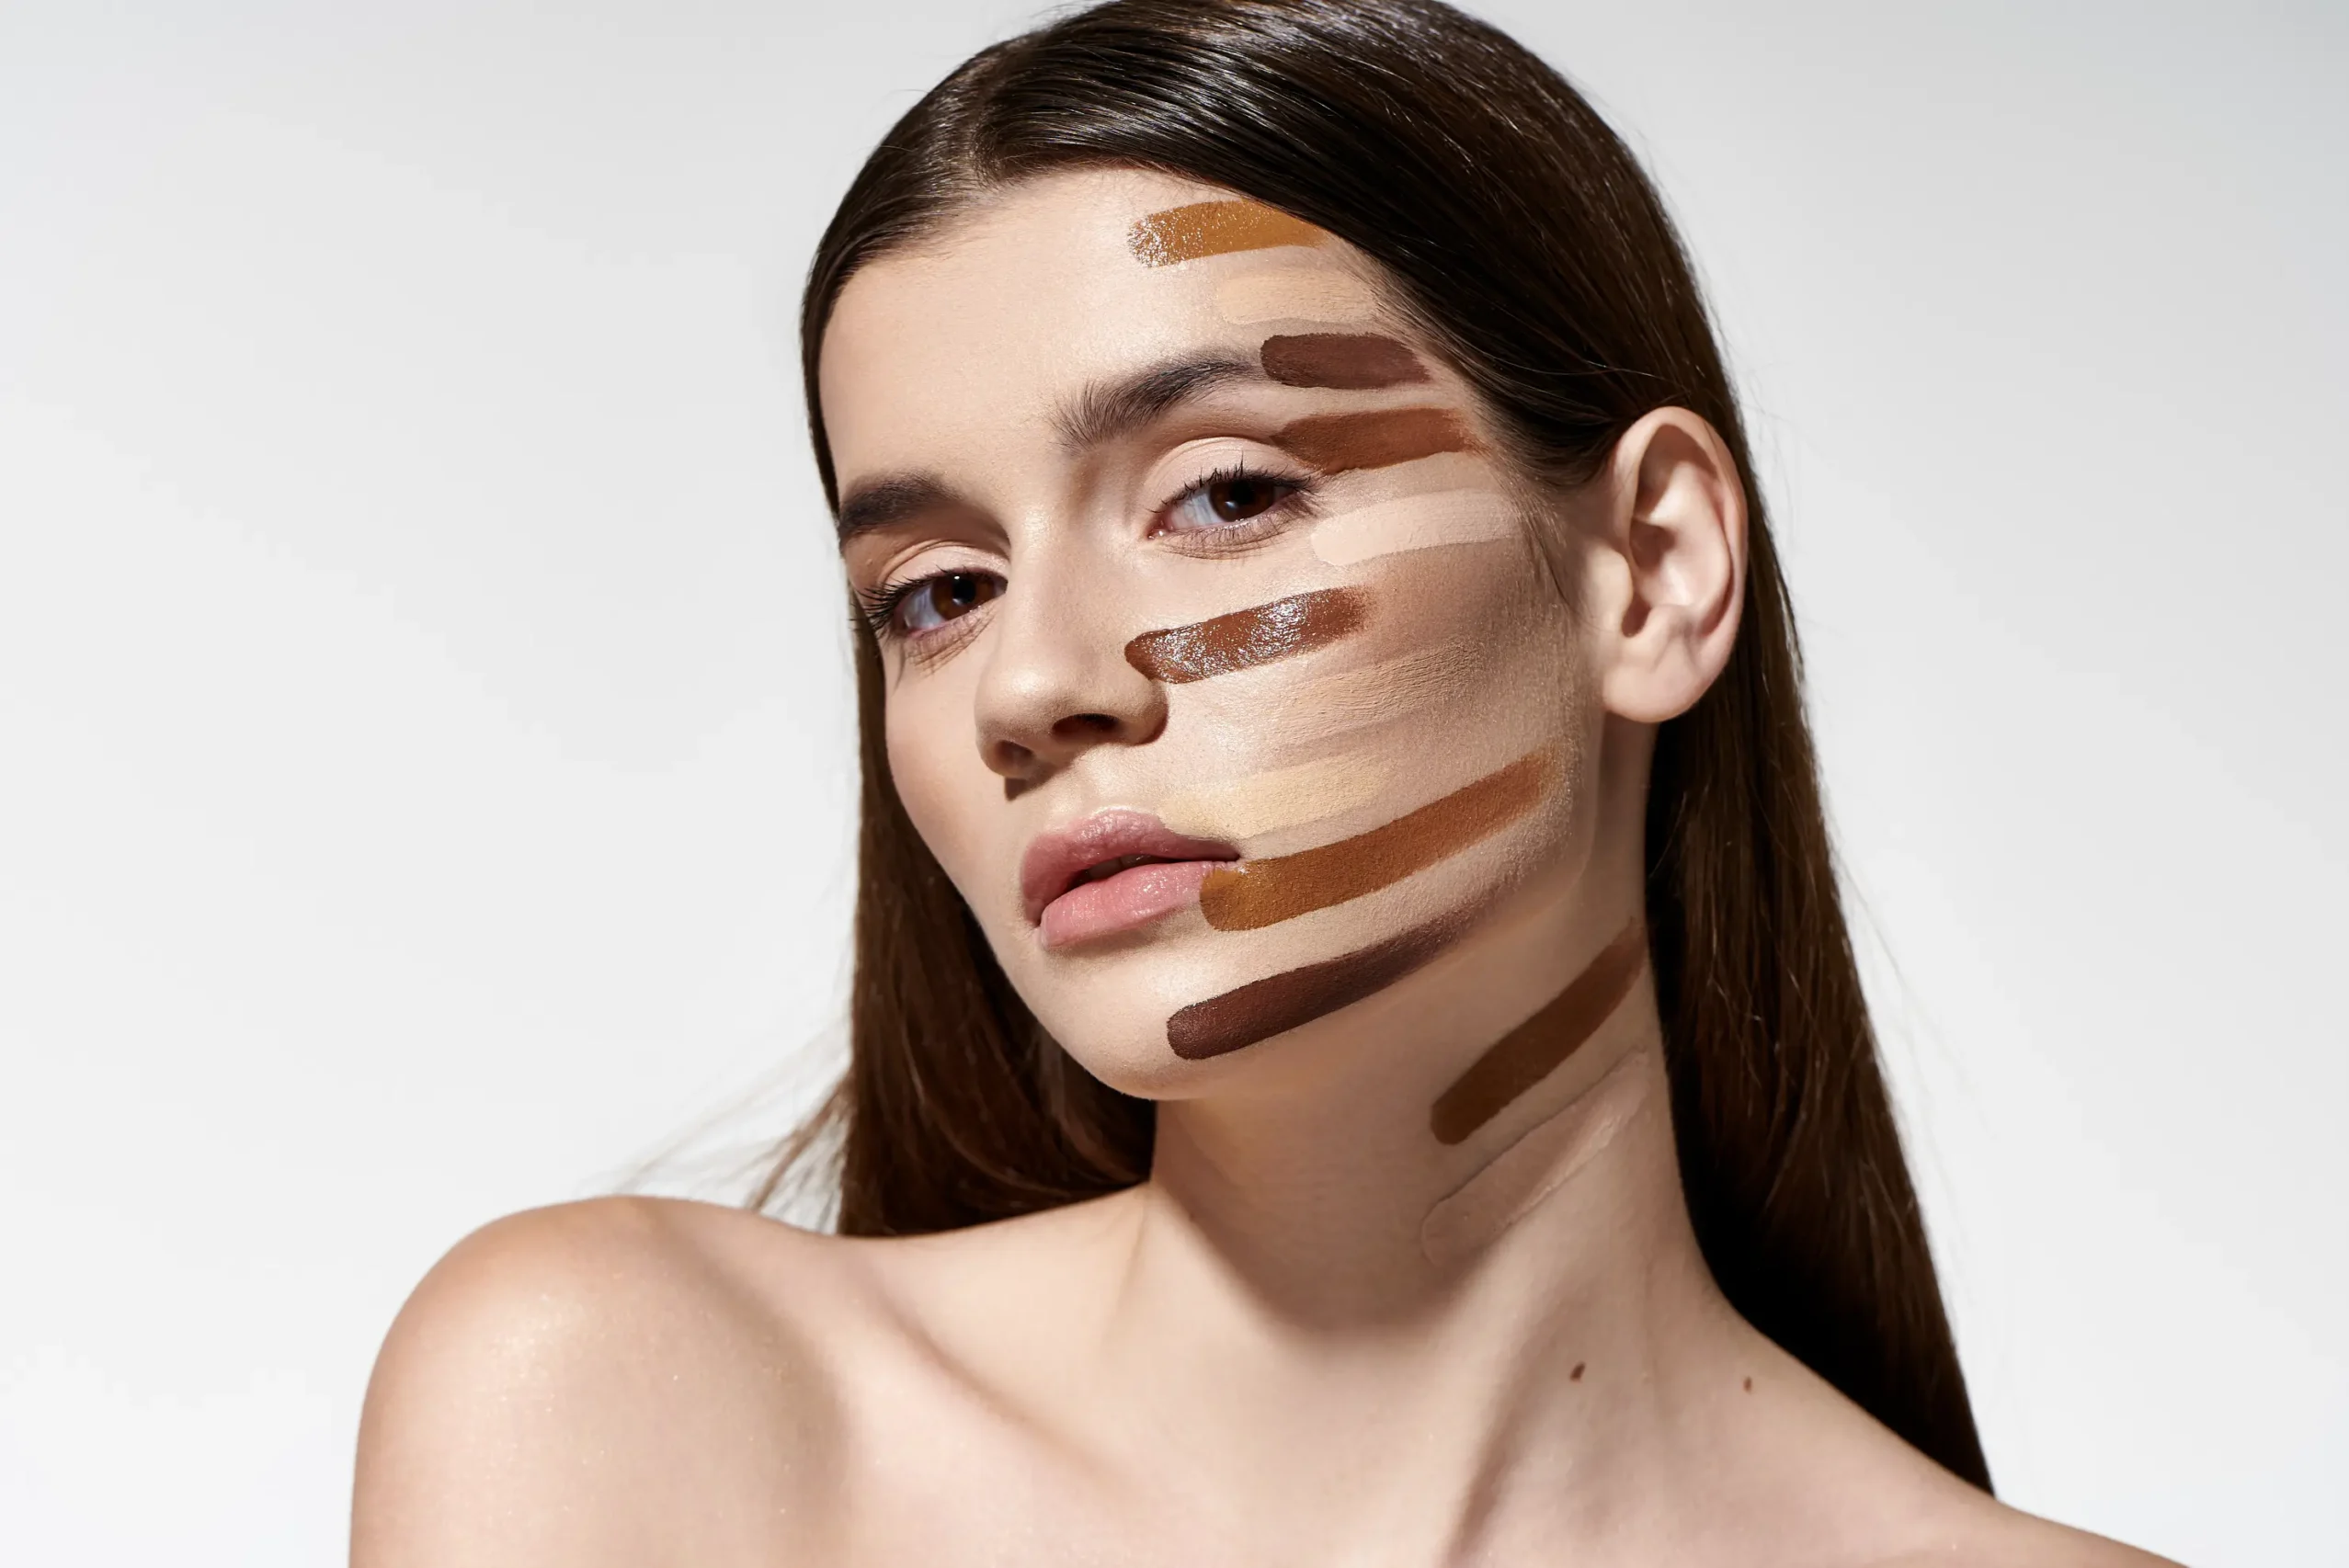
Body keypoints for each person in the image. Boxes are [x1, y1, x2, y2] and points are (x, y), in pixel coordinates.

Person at [351, 3, 2175, 1562]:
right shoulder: (634, 1421)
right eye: (935, 592)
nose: (1032, 684)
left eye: (1224, 494)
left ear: (1650, 568)